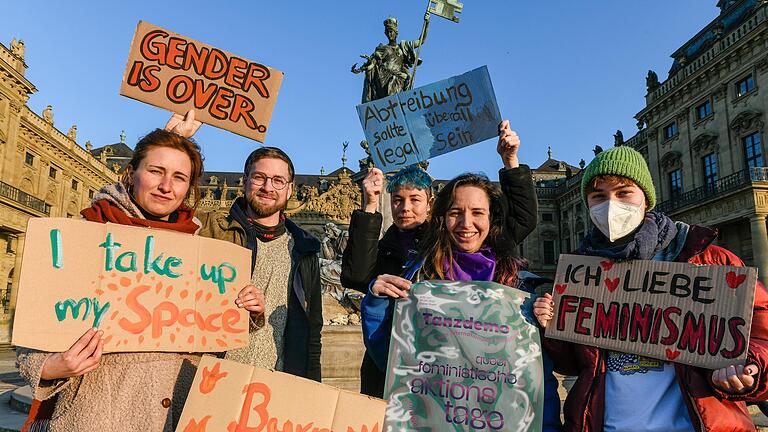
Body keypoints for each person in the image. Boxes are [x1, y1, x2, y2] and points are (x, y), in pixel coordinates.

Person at [533, 146, 768, 431]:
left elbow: (761, 334)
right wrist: (552, 328)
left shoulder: (710, 261)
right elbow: (573, 365)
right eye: (599, 196)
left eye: (623, 193)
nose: (611, 205)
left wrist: (751, 367)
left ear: (646, 198)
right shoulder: (581, 274)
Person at [15, 111, 220, 432]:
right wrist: (53, 366)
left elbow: (213, 330)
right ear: (129, 174)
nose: (166, 186)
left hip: (173, 416)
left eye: (179, 177)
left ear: (189, 188)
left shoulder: (199, 252)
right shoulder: (86, 237)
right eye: (155, 171)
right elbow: (32, 341)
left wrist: (243, 309)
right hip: (95, 417)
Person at [361, 121, 563, 431]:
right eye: (456, 212)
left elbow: (536, 376)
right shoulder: (420, 279)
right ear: (441, 218)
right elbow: (388, 354)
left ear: (491, 218)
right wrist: (376, 301)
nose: (466, 223)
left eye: (477, 213)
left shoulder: (520, 285)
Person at [197, 146, 323, 381]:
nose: (268, 187)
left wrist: (314, 389)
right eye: (259, 177)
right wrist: (176, 140)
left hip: (277, 385)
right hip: (213, 378)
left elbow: (313, 332)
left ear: (290, 189)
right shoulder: (213, 230)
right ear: (244, 182)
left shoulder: (305, 250)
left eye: (278, 180)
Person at [341, 164, 433, 397]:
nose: (405, 208)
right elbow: (356, 276)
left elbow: (519, 225)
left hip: (433, 363)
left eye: (415, 200)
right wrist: (370, 204)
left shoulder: (442, 246)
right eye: (397, 200)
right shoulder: (386, 245)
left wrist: (510, 165)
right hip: (384, 360)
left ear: (429, 204)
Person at [351, 15, 429, 103]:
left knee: (397, 84)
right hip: (383, 78)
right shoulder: (383, 48)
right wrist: (361, 69)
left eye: (391, 31)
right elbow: (373, 63)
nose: (389, 34)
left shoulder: (403, 46)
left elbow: (421, 41)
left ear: (396, 33)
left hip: (398, 78)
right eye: (387, 32)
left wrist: (427, 22)